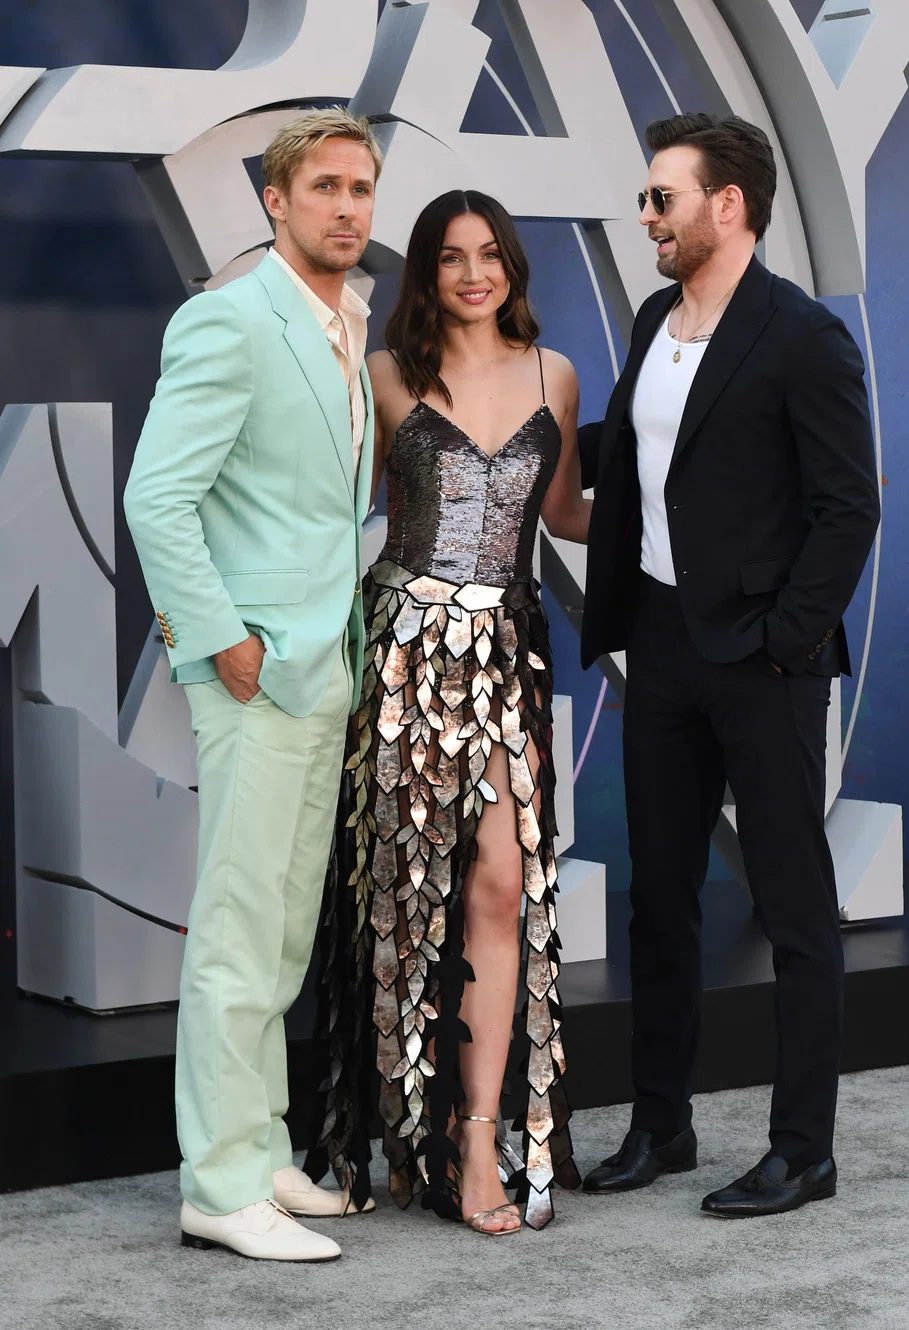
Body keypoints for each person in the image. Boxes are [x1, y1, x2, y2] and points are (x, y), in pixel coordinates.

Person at [578, 113, 880, 1217]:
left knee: (795, 911)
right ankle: (663, 1122)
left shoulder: (802, 337)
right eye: (648, 198)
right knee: (659, 902)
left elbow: (850, 508)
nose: (647, 216)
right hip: (659, 652)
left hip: (764, 665)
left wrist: (783, 641)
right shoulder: (658, 317)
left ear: (728, 205)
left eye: (663, 197)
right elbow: (632, 453)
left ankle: (804, 1148)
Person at [123, 108, 384, 1261]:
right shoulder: (228, 320)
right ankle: (217, 1186)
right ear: (276, 202)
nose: (345, 206)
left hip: (324, 662)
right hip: (255, 671)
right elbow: (154, 498)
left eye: (361, 188)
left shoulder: (346, 320)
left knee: (280, 931)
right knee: (237, 929)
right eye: (323, 186)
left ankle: (259, 1148)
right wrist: (218, 640)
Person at [307, 189, 590, 1233]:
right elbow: (331, 508)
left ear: (512, 264)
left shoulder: (553, 374)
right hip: (404, 654)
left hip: (509, 653)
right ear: (428, 273)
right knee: (400, 894)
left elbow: (564, 515)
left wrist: (727, 508)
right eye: (452, 258)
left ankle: (479, 1133)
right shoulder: (383, 375)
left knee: (503, 886)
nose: (475, 274)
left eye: (491, 255)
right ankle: (400, 1123)